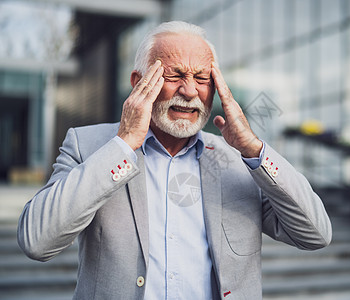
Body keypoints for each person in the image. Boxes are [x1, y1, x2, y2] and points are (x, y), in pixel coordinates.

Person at [17, 21, 332, 300]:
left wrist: (253, 149)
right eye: (175, 75)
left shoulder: (240, 161)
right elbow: (37, 241)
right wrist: (124, 144)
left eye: (202, 78)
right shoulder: (88, 146)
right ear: (138, 81)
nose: (190, 90)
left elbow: (316, 234)